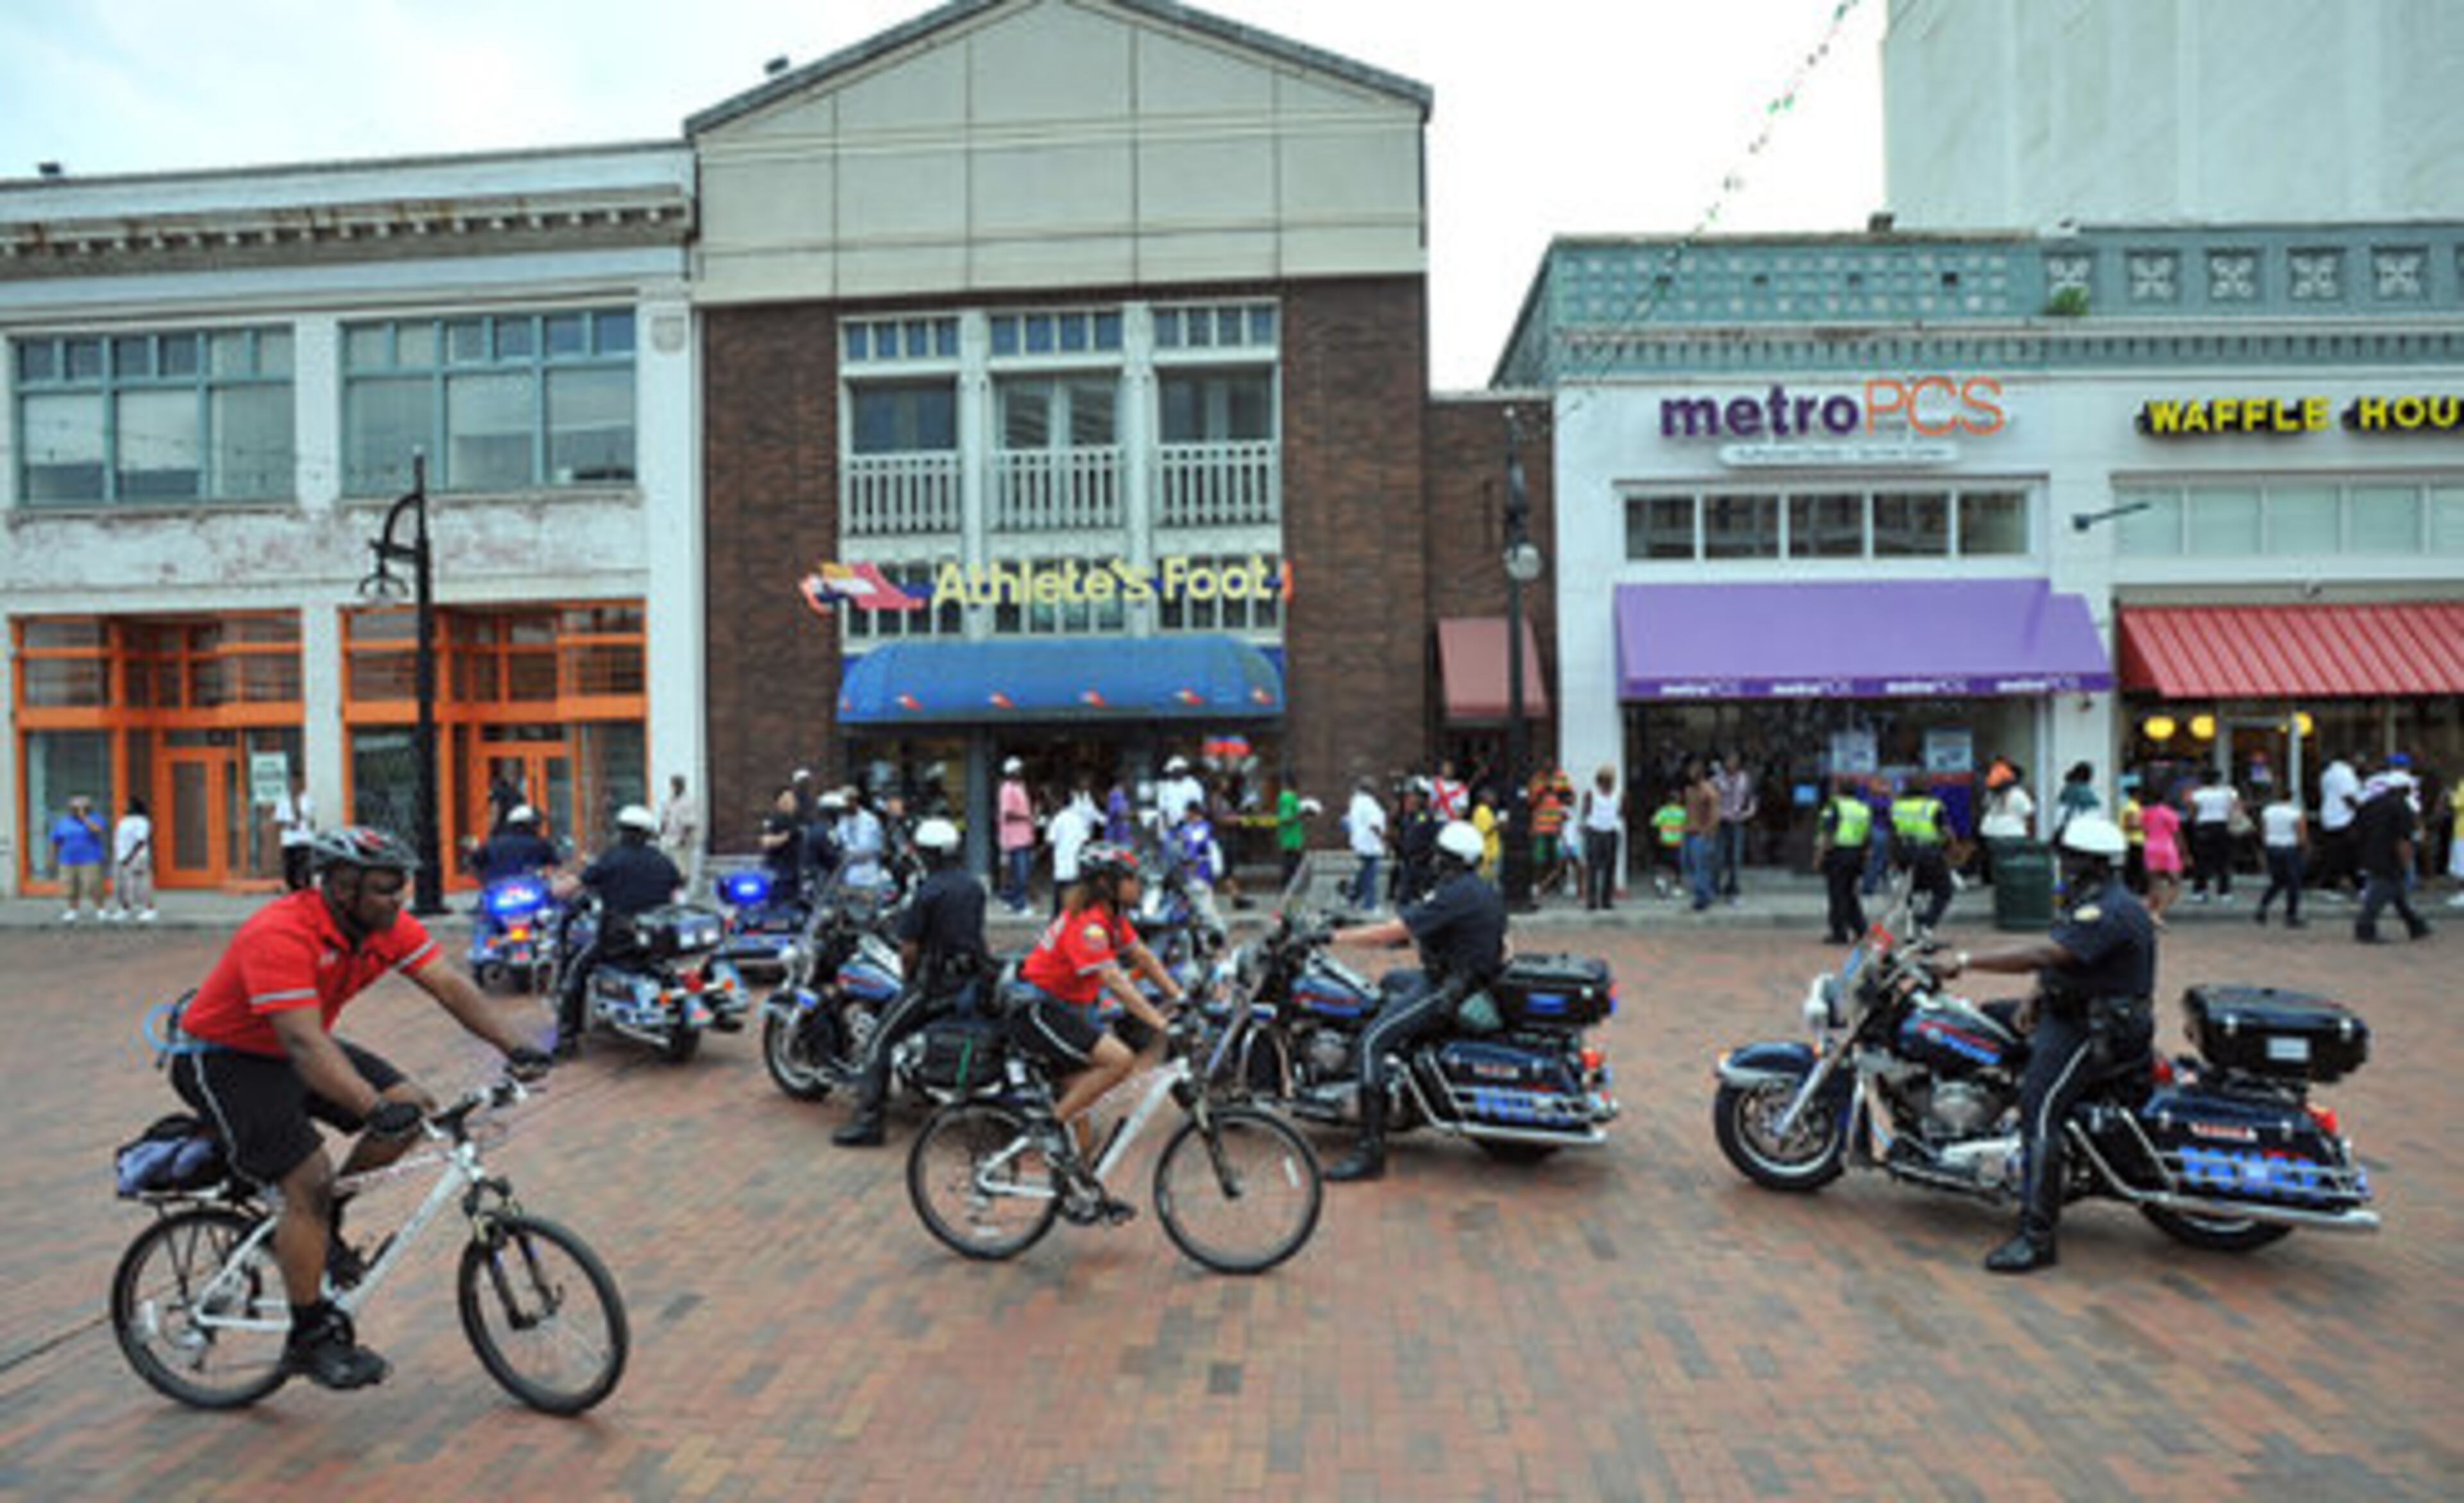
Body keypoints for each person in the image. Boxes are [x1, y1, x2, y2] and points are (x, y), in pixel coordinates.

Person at [167, 825, 551, 1388]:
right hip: (228, 1057)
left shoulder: (385, 926)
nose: (399, 900)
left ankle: (325, 1227)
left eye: (401, 887)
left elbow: (449, 985)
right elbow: (303, 1043)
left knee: (413, 1108)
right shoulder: (280, 933)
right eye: (385, 889)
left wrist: (516, 1045)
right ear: (342, 889)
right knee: (309, 1179)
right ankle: (309, 1337)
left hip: (295, 1046)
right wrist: (370, 1108)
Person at [1937, 814, 2155, 1275]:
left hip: (2098, 1029)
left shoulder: (2108, 910)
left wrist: (1963, 961)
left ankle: (2037, 1238)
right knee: (1976, 1021)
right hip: (2071, 1010)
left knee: (2040, 1110)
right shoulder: (2089, 900)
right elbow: (2062, 959)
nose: (2063, 865)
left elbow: (2046, 953)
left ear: (2089, 863)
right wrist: (2034, 999)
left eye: (2069, 858)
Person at [1322, 820, 1507, 1182]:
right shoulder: (1482, 890)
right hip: (1461, 980)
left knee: (1371, 1042)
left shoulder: (1453, 894)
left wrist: (1333, 936)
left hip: (1449, 989)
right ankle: (1402, 1071)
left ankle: (1370, 1152)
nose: (1434, 861)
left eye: (1439, 855)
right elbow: (1502, 944)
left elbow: (1395, 931)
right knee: (1390, 982)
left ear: (1447, 859)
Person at [1011, 845, 1185, 1190]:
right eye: (1131, 879)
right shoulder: (1088, 924)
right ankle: (1046, 1128)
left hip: (1067, 1009)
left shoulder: (1113, 919)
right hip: (1039, 1009)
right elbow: (1114, 979)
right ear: (1107, 884)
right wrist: (1159, 1021)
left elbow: (1144, 958)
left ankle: (1078, 1187)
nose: (1138, 885)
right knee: (1120, 1061)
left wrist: (1181, 997)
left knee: (1082, 1102)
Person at [833, 818, 991, 1147]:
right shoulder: (974, 887)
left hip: (936, 984)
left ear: (927, 853)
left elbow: (909, 948)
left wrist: (910, 980)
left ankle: (869, 1123)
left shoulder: (928, 891)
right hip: (971, 979)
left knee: (879, 1041)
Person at [550, 805, 683, 1055]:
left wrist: (554, 890)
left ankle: (567, 1040)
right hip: (658, 939)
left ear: (622, 831)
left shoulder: (612, 858)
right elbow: (677, 894)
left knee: (575, 973)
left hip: (618, 939)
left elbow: (574, 886)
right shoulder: (663, 860)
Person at [2352, 767, 2432, 943]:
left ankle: (2416, 925)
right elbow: (2404, 839)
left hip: (2370, 852)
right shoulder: (2402, 808)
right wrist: (2406, 860)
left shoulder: (2371, 804)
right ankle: (2365, 926)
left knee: (2397, 893)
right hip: (2390, 856)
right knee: (2381, 891)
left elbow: (2358, 827)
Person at [1890, 778, 1956, 933]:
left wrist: (1893, 859)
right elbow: (1946, 831)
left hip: (1904, 852)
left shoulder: (1897, 806)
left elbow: (1892, 834)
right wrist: (1953, 849)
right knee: (1944, 890)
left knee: (1912, 890)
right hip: (1929, 853)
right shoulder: (1933, 806)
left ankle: (1911, 930)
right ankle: (1927, 924)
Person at [1815, 775, 1872, 944]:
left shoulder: (1834, 806)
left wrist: (1819, 856)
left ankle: (1839, 933)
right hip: (1856, 854)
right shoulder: (1862, 808)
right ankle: (1860, 928)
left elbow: (1827, 834)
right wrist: (1866, 856)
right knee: (1850, 893)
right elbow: (1867, 835)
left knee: (1837, 894)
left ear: (1839, 790)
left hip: (1838, 854)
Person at [2253, 786, 2309, 928]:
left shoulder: (2268, 812)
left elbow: (2264, 831)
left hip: (2272, 847)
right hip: (2290, 848)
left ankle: (2262, 907)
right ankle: (2291, 915)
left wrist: (2265, 847)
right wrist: (2304, 848)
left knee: (2277, 881)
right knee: (2294, 883)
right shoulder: (2295, 813)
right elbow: (2301, 834)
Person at [2185, 767, 2243, 902]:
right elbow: (2237, 807)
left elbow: (2193, 812)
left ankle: (2200, 890)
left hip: (2204, 826)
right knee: (2224, 860)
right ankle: (2224, 892)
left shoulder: (2197, 794)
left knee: (2202, 860)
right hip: (2222, 825)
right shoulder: (2229, 792)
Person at [50, 793, 109, 923]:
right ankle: (72, 910)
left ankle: (101, 910)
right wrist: (53, 857)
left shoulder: (95, 818)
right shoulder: (63, 821)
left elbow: (97, 830)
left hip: (90, 858)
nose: (76, 811)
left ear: (88, 808)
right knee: (70, 886)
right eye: (74, 808)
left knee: (93, 885)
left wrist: (85, 818)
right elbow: (56, 840)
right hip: (68, 859)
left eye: (81, 808)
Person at [1976, 764, 2034, 886]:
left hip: (1989, 834)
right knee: (2011, 867)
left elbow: (1985, 809)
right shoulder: (2018, 794)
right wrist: (2030, 834)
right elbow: (2029, 815)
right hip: (2012, 835)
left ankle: (1994, 885)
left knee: (1995, 865)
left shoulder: (1990, 795)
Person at [1048, 780, 1100, 917]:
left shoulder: (1058, 819)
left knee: (1058, 909)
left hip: (1061, 871)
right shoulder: (1078, 820)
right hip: (1075, 870)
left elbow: (1051, 841)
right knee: (1076, 908)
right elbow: (1085, 841)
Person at [473, 805, 559, 884]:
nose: (538, 828)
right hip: (530, 888)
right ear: (529, 824)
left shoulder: (492, 843)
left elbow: (475, 864)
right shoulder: (540, 844)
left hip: (499, 889)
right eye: (536, 824)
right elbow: (556, 865)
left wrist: (485, 881)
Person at [2315, 752, 2362, 897]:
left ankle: (2331, 884)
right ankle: (2341, 885)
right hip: (2343, 819)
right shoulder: (2345, 773)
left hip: (2329, 818)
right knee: (2349, 855)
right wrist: (2362, 811)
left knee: (2334, 854)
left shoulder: (2327, 773)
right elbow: (2348, 797)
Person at [1713, 753, 1758, 901]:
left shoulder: (1745, 779)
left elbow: (1751, 797)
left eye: (1734, 761)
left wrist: (1748, 813)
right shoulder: (1717, 779)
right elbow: (1710, 799)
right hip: (1721, 821)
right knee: (1719, 856)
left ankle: (1733, 887)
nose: (1731, 764)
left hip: (1737, 821)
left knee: (1735, 857)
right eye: (1728, 761)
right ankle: (1716, 885)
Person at [2139, 787, 2184, 927]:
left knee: (2154, 884)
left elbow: (2144, 830)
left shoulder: (2145, 813)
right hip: (2167, 848)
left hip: (2150, 847)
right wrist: (2184, 852)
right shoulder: (2169, 814)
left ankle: (2150, 912)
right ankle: (2157, 913)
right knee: (2175, 884)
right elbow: (2177, 834)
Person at [997, 757, 1036, 915]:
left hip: (1024, 836)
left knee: (1020, 871)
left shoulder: (1020, 786)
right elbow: (1007, 815)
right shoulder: (1007, 789)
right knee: (1021, 873)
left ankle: (1010, 899)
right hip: (1014, 838)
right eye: (1018, 770)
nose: (1021, 772)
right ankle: (1020, 905)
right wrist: (1027, 817)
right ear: (1011, 772)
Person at [109, 795, 157, 923]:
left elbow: (141, 840)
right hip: (120, 856)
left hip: (137, 856)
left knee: (140, 884)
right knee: (121, 885)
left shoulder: (142, 821)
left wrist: (130, 856)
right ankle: (124, 908)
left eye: (128, 805)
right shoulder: (124, 821)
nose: (125, 807)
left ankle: (149, 909)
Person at [1343, 778, 1387, 913]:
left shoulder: (1355, 802)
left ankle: (1353, 896)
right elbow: (1374, 824)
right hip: (1370, 843)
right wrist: (1383, 837)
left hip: (1360, 842)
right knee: (1370, 874)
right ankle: (1370, 904)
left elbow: (1345, 822)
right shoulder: (1369, 804)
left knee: (1364, 872)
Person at [1680, 760, 1719, 913]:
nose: (1690, 774)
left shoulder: (1709, 791)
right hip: (1689, 831)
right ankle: (1704, 893)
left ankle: (1702, 897)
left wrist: (1708, 832)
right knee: (1688, 864)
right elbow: (1688, 810)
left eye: (1694, 771)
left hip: (1701, 833)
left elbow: (1715, 814)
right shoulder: (1689, 791)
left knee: (1700, 866)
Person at [834, 787, 890, 893]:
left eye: (851, 800)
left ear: (856, 800)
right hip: (850, 875)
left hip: (869, 873)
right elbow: (839, 846)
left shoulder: (870, 820)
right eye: (846, 801)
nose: (848, 804)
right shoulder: (841, 823)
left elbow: (879, 846)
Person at [658, 773, 703, 898]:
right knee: (668, 866)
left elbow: (690, 823)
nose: (676, 787)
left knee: (683, 869)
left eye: (678, 784)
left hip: (682, 842)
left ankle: (684, 893)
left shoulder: (689, 801)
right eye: (674, 784)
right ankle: (671, 892)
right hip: (669, 840)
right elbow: (664, 819)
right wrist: (661, 834)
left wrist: (683, 839)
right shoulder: (669, 800)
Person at [758, 787, 806, 897]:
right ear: (778, 803)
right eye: (786, 800)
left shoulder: (798, 821)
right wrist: (785, 837)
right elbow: (766, 841)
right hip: (779, 873)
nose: (790, 803)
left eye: (792, 800)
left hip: (795, 871)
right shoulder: (775, 820)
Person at [273, 773, 317, 893]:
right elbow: (278, 821)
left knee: (306, 868)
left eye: (297, 783)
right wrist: (289, 824)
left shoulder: (308, 800)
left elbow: (313, 820)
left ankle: (307, 891)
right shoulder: (283, 801)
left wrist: (308, 823)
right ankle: (294, 891)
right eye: (292, 783)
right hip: (289, 840)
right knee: (290, 869)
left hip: (305, 839)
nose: (294, 786)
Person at [1275, 780, 1310, 891]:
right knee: (1291, 864)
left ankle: (1289, 887)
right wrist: (1301, 814)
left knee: (1293, 863)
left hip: (1291, 837)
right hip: (1291, 838)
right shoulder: (1288, 798)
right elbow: (1287, 819)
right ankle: (1288, 887)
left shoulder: (1286, 797)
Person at [1470, 789, 1502, 882]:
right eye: (1490, 796)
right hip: (1487, 853)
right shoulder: (1482, 811)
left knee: (1492, 878)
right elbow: (1483, 831)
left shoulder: (1487, 811)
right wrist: (1497, 824)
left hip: (1491, 851)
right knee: (1488, 881)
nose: (1493, 798)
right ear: (1484, 798)